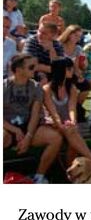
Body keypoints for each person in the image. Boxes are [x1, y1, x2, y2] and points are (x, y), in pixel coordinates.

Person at [3, 52, 63, 182]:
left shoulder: (35, 87)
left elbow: (35, 114)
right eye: (31, 67)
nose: (34, 69)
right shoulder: (4, 86)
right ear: (18, 70)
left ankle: (39, 177)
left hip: (29, 126)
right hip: (8, 127)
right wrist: (15, 130)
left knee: (55, 138)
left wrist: (28, 136)